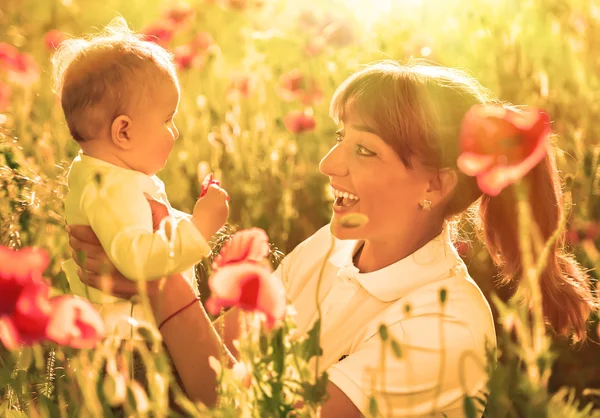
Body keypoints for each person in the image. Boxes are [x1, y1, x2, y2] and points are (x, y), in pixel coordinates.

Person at [66, 60, 594, 417]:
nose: (327, 165)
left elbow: (242, 409)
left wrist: (163, 283)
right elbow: (222, 354)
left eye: (364, 151)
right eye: (341, 139)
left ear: (434, 185)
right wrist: (150, 263)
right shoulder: (334, 246)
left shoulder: (446, 326)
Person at [53, 18, 229, 338]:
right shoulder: (110, 189)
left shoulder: (109, 178)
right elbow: (138, 259)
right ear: (124, 131)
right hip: (129, 343)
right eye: (167, 119)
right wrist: (200, 227)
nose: (174, 131)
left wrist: (184, 223)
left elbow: (143, 233)